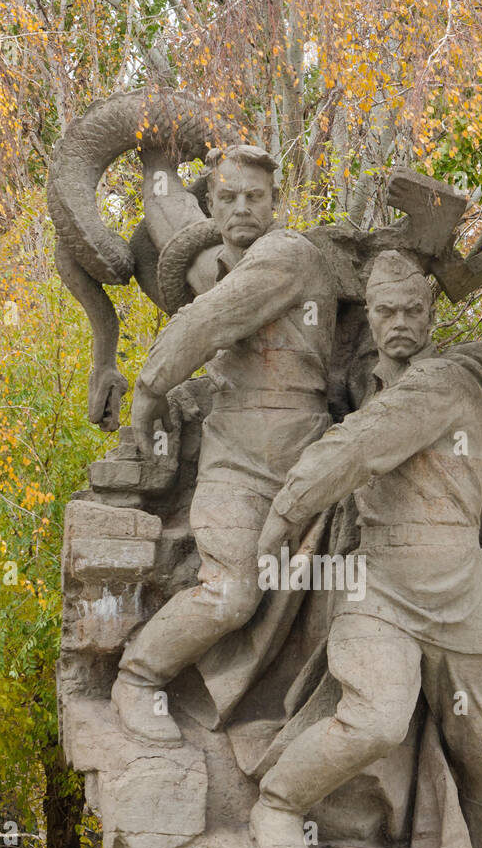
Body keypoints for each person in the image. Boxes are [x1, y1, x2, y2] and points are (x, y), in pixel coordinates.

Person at [248, 249, 482, 848]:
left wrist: (285, 513)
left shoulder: (446, 383)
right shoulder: (366, 381)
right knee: (375, 716)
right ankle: (277, 806)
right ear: (368, 315)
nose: (399, 323)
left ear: (433, 315)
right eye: (386, 311)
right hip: (376, 588)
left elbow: (363, 447)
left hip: (460, 596)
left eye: (413, 310)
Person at [111, 144, 337, 742]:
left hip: (305, 459)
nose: (242, 207)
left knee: (338, 592)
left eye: (254, 197)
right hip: (233, 456)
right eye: (229, 197)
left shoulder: (288, 254)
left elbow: (214, 319)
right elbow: (210, 301)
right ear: (209, 205)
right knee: (232, 593)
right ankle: (138, 677)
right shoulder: (219, 268)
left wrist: (151, 385)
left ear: (275, 203)